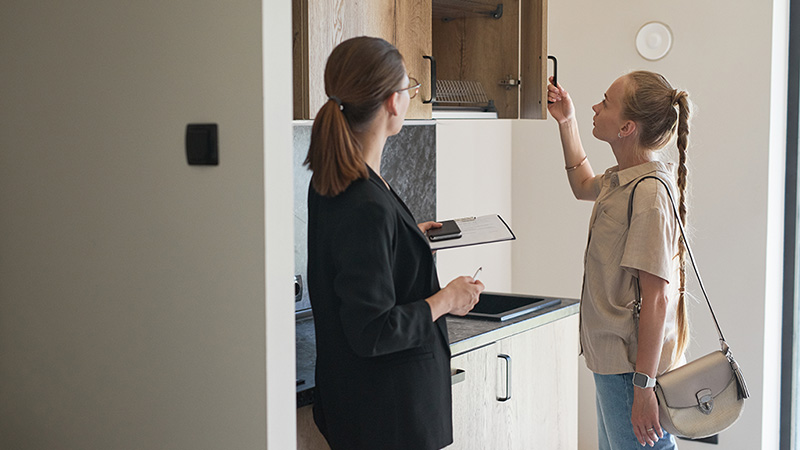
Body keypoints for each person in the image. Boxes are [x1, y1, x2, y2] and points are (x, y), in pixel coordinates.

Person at [304, 36, 485, 450]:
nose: (409, 98)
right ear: (392, 101)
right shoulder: (364, 201)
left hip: (372, 408)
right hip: (389, 416)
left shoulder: (341, 182)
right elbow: (373, 330)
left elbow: (357, 257)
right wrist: (448, 299)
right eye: (409, 89)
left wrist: (405, 237)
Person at [547, 71, 691, 449]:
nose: (596, 107)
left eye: (605, 102)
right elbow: (582, 185)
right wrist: (567, 120)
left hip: (631, 372)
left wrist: (643, 388)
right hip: (615, 366)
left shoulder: (649, 195)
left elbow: (657, 297)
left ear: (627, 126)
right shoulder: (623, 178)